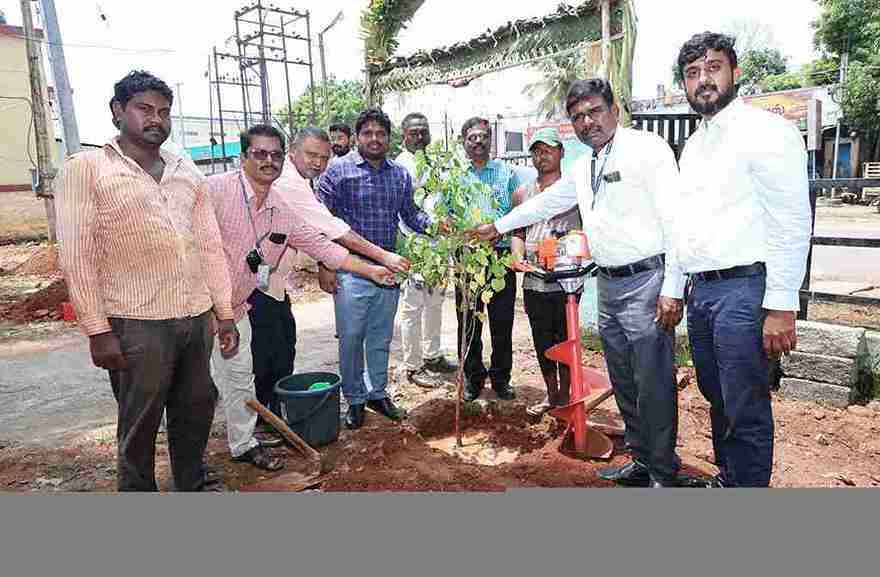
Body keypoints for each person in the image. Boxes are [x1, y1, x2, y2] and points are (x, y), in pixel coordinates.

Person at [471, 79, 687, 487]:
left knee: (653, 380)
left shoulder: (647, 150)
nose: (587, 122)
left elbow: (676, 219)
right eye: (577, 117)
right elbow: (546, 203)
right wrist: (497, 226)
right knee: (624, 376)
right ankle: (641, 460)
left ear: (614, 111)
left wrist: (672, 286)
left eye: (594, 112)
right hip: (608, 283)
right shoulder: (585, 166)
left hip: (646, 280)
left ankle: (663, 471)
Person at [56, 70, 239, 492]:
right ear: (118, 112)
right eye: (144, 109)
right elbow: (77, 255)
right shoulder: (87, 169)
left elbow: (210, 247)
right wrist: (97, 330)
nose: (156, 118)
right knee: (139, 423)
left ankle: (192, 485)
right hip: (136, 322)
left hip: (195, 317)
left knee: (195, 409)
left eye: (164, 111)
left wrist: (224, 314)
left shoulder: (185, 171)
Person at [207, 124, 396, 471]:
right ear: (242, 156)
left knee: (239, 377)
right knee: (194, 389)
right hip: (197, 307)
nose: (269, 161)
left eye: (274, 155)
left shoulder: (280, 204)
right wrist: (382, 257)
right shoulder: (214, 191)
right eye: (259, 154)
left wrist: (370, 271)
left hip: (238, 305)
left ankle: (243, 444)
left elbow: (321, 244)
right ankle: (186, 465)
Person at [676, 32, 811, 487]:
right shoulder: (694, 146)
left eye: (713, 67)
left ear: (735, 72)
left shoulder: (768, 132)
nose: (703, 80)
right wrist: (678, 289)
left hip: (746, 290)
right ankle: (729, 479)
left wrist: (780, 304)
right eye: (692, 73)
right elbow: (687, 224)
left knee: (745, 404)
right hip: (704, 292)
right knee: (716, 395)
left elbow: (792, 221)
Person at [247, 127, 408, 429]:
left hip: (275, 286)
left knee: (283, 350)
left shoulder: (301, 183)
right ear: (292, 152)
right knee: (267, 356)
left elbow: (314, 237)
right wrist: (381, 258)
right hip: (253, 287)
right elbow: (330, 226)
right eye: (311, 155)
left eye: (324, 156)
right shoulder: (290, 183)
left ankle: (270, 420)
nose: (318, 162)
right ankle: (258, 427)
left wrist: (371, 265)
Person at [318, 108, 433, 430]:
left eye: (380, 133)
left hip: (388, 272)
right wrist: (324, 264)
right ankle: (354, 399)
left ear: (389, 138)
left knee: (380, 337)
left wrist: (437, 225)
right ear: (357, 138)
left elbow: (411, 215)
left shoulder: (399, 174)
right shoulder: (338, 172)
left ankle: (376, 393)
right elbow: (319, 223)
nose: (374, 139)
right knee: (352, 338)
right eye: (367, 133)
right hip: (351, 270)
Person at [508, 128, 582, 417]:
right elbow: (517, 231)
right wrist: (517, 257)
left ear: (561, 152)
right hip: (535, 280)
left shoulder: (575, 191)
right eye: (536, 151)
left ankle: (567, 396)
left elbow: (587, 229)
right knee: (542, 339)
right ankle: (552, 395)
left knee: (566, 337)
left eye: (548, 149)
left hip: (567, 281)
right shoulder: (523, 193)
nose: (542, 155)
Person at [455, 117, 520, 403]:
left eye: (483, 137)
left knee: (502, 322)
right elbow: (446, 216)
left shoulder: (507, 173)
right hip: (467, 257)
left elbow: (518, 213)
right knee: (469, 322)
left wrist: (498, 230)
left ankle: (501, 379)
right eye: (472, 137)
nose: (478, 142)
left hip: (499, 257)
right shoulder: (455, 177)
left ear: (490, 140)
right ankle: (473, 378)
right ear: (464, 142)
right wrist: (466, 233)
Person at [394, 112, 458, 389]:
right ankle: (413, 365)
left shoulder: (435, 162)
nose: (420, 137)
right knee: (413, 307)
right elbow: (406, 209)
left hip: (439, 246)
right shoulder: (400, 167)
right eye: (414, 132)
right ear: (404, 135)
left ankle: (432, 356)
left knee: (435, 302)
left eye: (424, 131)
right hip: (416, 244)